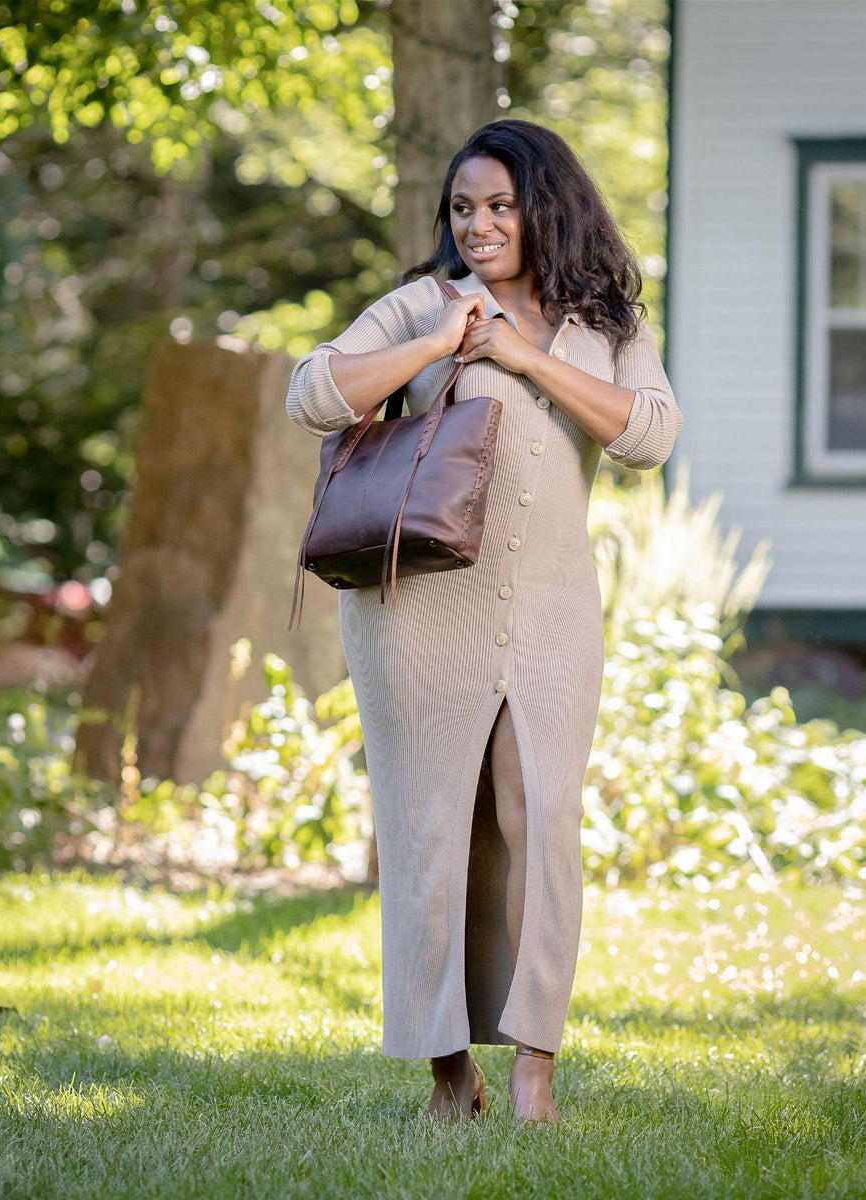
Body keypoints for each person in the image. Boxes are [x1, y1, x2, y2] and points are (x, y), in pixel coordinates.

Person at [285, 118, 682, 1124]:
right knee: (432, 832)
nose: (479, 224)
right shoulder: (422, 302)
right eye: (464, 208)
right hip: (418, 611)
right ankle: (446, 1074)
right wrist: (437, 342)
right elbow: (314, 394)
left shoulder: (606, 322)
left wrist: (524, 354)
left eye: (500, 205)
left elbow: (650, 435)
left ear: (546, 206)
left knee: (541, 821)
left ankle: (534, 1072)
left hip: (552, 610)